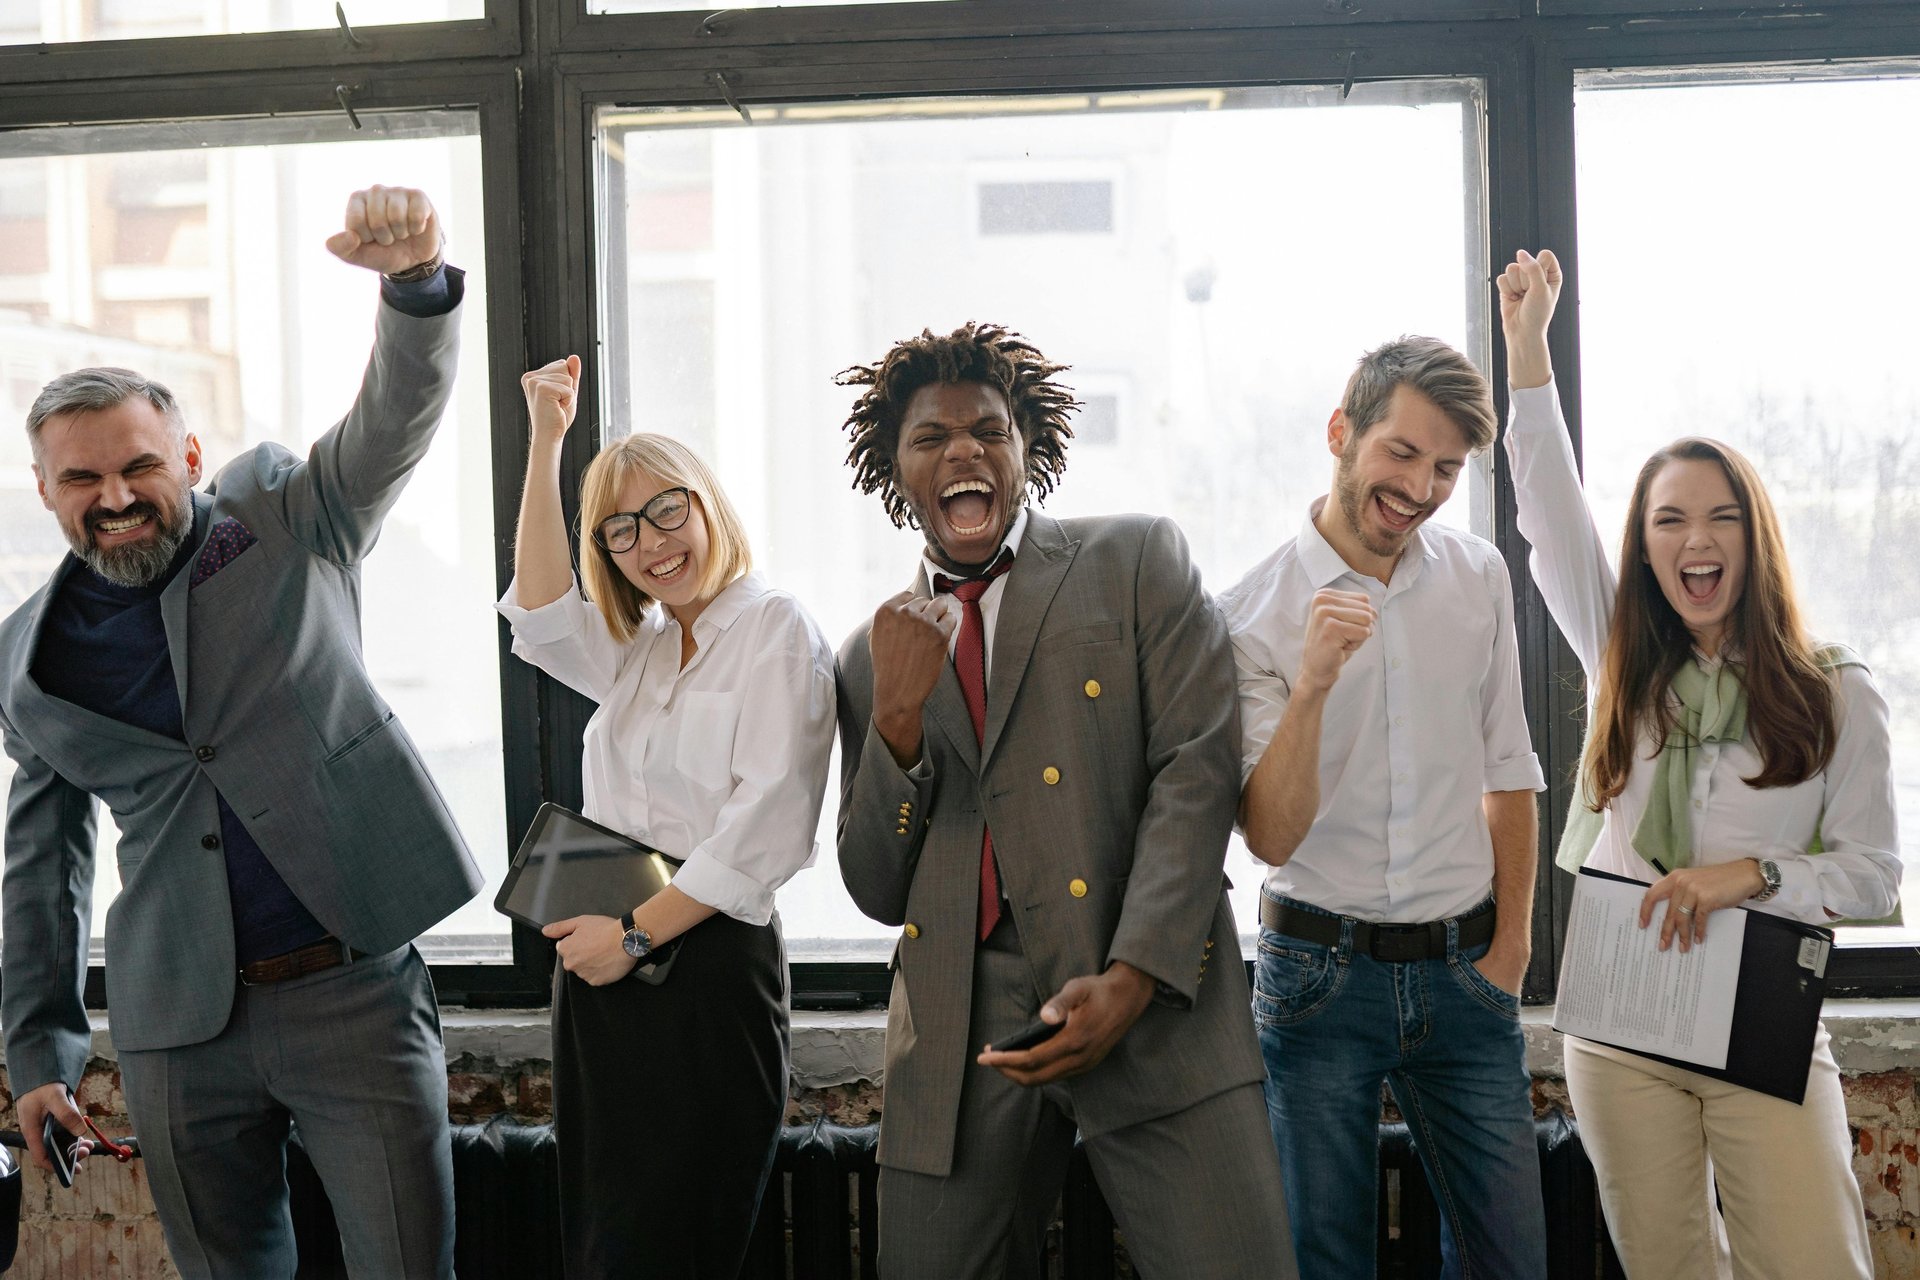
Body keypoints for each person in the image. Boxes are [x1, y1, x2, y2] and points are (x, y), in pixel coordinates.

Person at [0, 185, 480, 1278]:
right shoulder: (27, 658)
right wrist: (41, 1052)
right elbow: (43, 869)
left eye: (138, 466)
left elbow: (390, 424)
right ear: (44, 490)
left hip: (352, 986)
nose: (116, 494)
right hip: (178, 1025)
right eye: (82, 478)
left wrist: (413, 290)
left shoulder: (282, 516)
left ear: (189, 454)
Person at [833, 322, 1296, 1279]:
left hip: (1155, 992)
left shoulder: (1133, 562)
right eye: (930, 438)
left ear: (1027, 451)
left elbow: (1196, 773)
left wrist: (1132, 978)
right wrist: (896, 724)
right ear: (894, 469)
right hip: (958, 1028)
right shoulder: (866, 655)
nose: (963, 450)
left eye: (989, 430)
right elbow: (880, 886)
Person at [1500, 248, 1898, 1279]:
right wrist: (1528, 351)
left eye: (1720, 515)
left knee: (1814, 1260)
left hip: (1761, 1000)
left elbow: (1873, 874)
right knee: (1669, 1265)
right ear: (1644, 548)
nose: (1696, 538)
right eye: (1669, 519)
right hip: (1625, 1008)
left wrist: (1752, 874)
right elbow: (1546, 507)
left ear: (1753, 538)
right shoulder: (1622, 658)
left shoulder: (1832, 689)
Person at [497, 355, 835, 1279]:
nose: (650, 543)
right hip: (605, 983)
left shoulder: (774, 630)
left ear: (707, 503)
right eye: (619, 531)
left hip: (698, 972)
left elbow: (765, 831)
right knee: (606, 1249)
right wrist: (545, 442)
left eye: (665, 511)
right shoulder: (642, 650)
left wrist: (633, 941)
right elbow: (538, 609)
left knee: (691, 1242)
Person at [1221, 335, 1548, 1278]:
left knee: (1511, 1261)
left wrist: (1511, 950)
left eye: (1446, 467)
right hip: (1317, 976)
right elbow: (1269, 832)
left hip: (1467, 972)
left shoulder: (1479, 575)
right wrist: (1316, 681)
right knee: (1324, 1262)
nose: (1421, 487)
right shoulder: (1250, 614)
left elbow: (1510, 767)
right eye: (1401, 454)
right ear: (1342, 433)